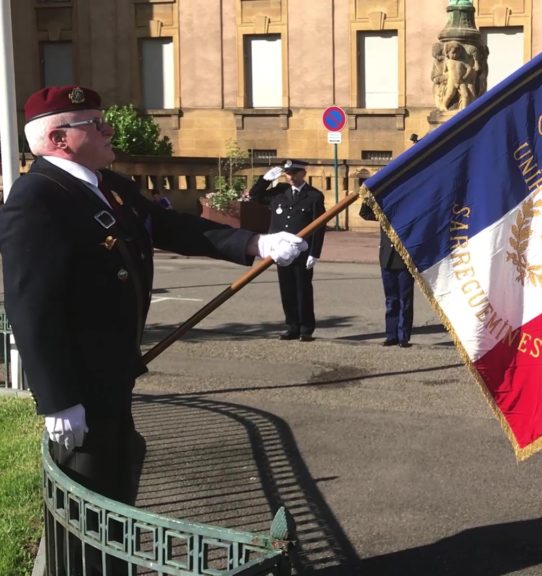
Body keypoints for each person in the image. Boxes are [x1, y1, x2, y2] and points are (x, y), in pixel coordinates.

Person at [0, 85, 307, 506]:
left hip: (115, 370)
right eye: (96, 124)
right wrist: (58, 399)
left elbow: (171, 226)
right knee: (89, 495)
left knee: (120, 473)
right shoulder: (37, 197)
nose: (109, 130)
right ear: (59, 139)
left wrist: (257, 244)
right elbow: (31, 305)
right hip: (81, 382)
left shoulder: (108, 184)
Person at [249, 159, 326, 341]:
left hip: (301, 251)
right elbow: (255, 196)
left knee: (303, 290)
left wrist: (315, 252)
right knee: (287, 289)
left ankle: (306, 329)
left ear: (303, 174)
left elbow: (319, 226)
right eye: (288, 174)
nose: (290, 177)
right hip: (280, 250)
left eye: (293, 173)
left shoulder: (314, 196)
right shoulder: (279, 192)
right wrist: (265, 180)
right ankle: (291, 326)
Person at [360, 202, 414, 347]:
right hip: (387, 258)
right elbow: (365, 214)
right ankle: (391, 335)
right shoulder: (385, 206)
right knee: (391, 300)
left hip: (404, 259)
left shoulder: (411, 208)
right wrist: (367, 195)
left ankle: (403, 336)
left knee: (405, 300)